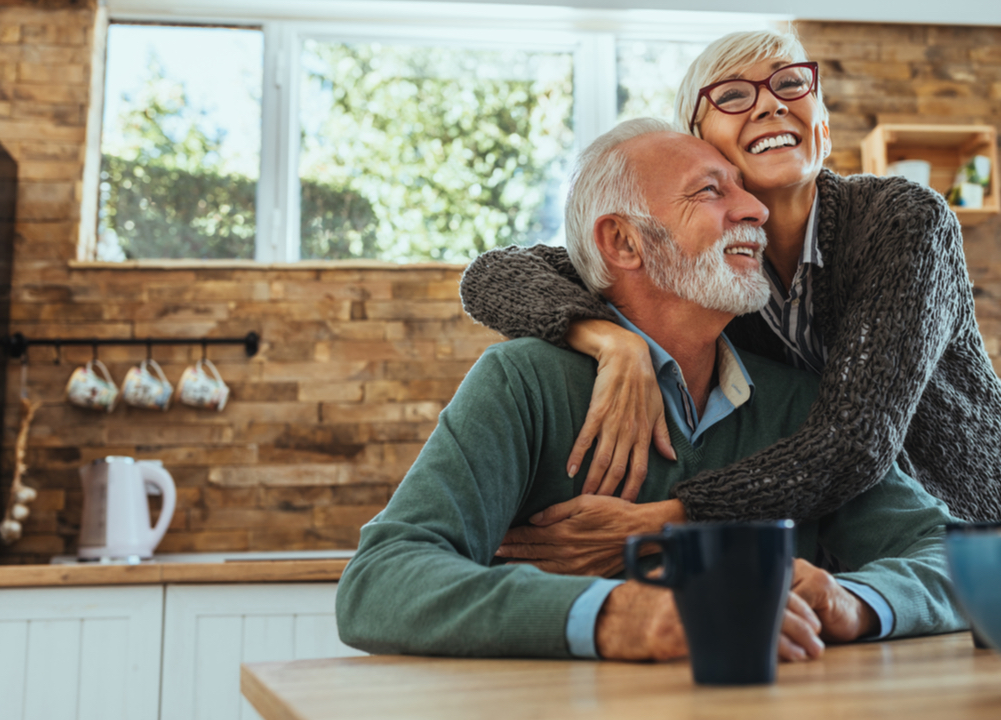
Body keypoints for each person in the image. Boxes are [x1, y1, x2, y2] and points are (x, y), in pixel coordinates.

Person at [335, 119, 966, 661]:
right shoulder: (523, 383)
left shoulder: (799, 403)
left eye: (744, 190)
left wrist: (851, 598)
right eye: (711, 192)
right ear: (623, 242)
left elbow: (952, 558)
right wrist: (619, 615)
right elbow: (380, 581)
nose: (755, 210)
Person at [459, 28, 1001, 575]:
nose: (771, 102)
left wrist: (662, 520)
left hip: (981, 531)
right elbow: (495, 274)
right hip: (842, 554)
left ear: (822, 125)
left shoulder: (903, 221)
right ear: (699, 145)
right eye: (732, 96)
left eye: (791, 84)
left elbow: (854, 442)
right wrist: (608, 339)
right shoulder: (704, 269)